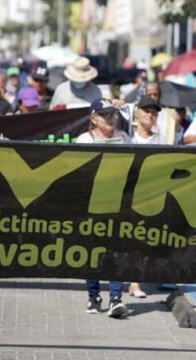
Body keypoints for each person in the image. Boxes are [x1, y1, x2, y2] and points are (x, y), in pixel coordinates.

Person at [76, 100, 129, 318]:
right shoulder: (83, 140)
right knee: (92, 252)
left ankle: (116, 298)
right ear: (93, 118)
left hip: (118, 203)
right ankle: (94, 296)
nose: (110, 118)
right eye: (105, 114)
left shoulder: (124, 139)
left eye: (113, 114)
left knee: (116, 251)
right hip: (90, 204)